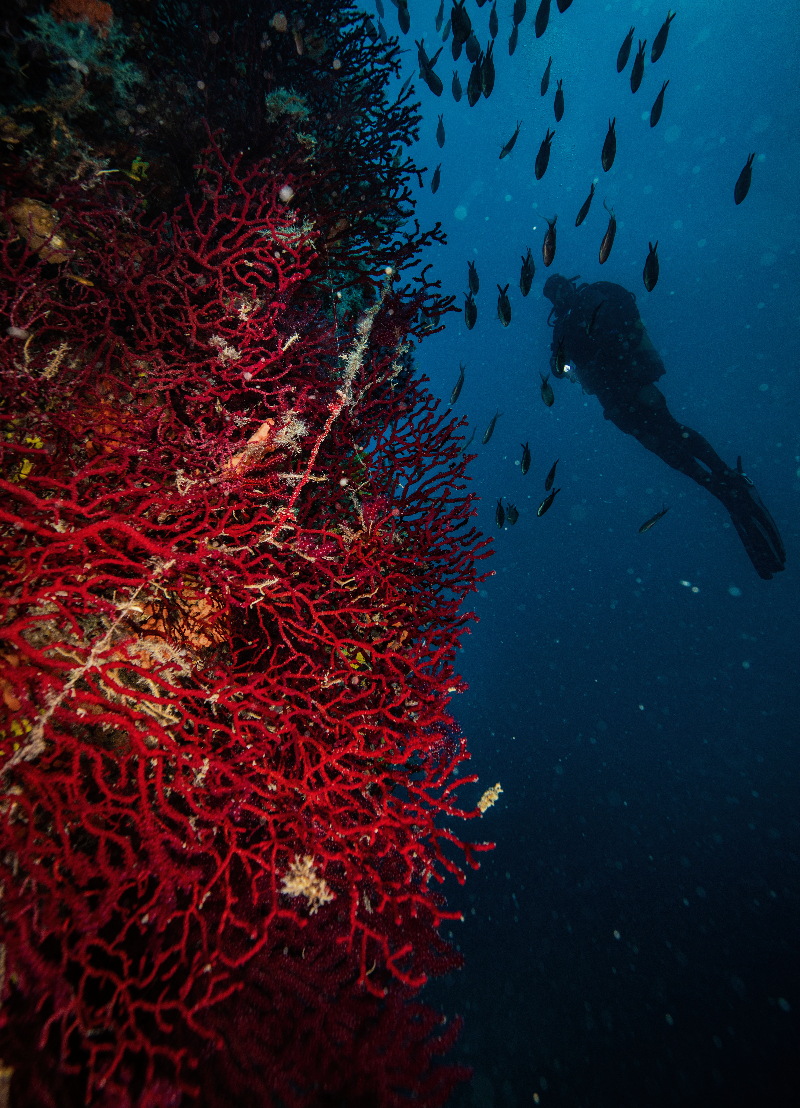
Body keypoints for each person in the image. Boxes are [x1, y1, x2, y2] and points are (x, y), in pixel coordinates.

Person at [542, 274, 786, 580]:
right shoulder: (563, 327)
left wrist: (620, 345)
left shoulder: (598, 295)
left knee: (669, 429)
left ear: (571, 284)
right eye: (554, 295)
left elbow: (629, 313)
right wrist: (563, 365)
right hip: (612, 397)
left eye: (562, 288)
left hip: (632, 377)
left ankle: (723, 475)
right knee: (656, 444)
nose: (561, 296)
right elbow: (557, 365)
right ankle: (715, 485)